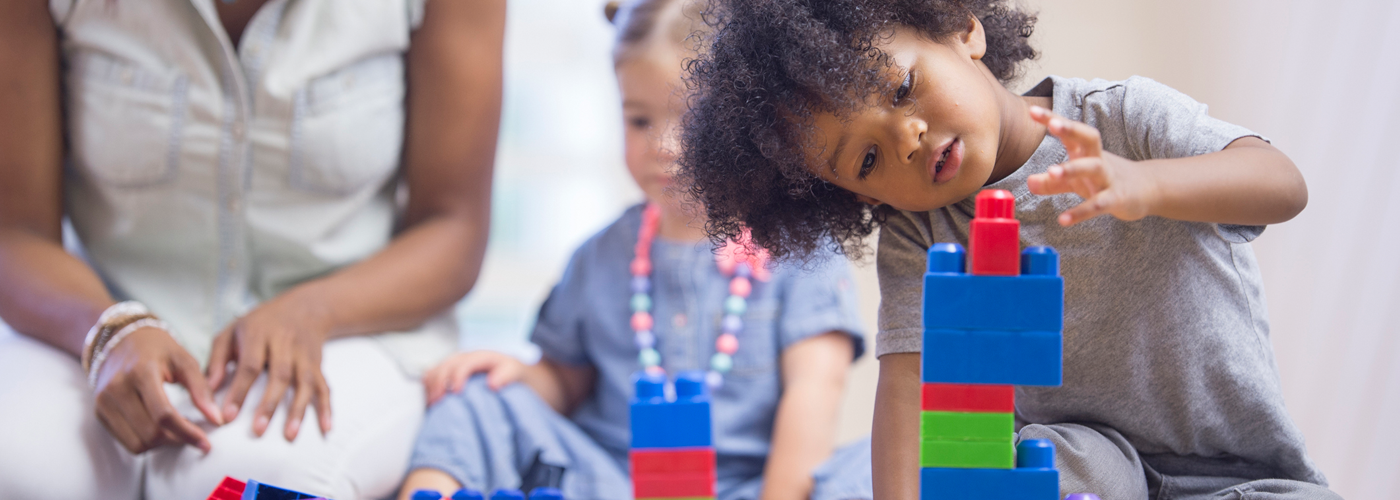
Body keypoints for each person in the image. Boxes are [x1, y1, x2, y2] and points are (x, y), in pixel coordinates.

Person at [673, 0, 1340, 499]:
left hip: (1243, 471)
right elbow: (907, 388)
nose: (907, 136)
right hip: (1083, 469)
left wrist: (1146, 182)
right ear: (856, 198)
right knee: (1027, 461)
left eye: (902, 88)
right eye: (869, 158)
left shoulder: (1120, 120)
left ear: (963, 30)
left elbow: (1282, 184)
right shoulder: (921, 234)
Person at [0, 1, 503, 498]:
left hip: (351, 328)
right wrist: (111, 329)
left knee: (251, 484)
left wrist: (314, 310)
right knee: (21, 469)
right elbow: (14, 234)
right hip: (95, 320)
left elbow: (453, 228)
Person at [396, 2, 873, 500]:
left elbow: (813, 398)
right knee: (474, 398)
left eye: (691, 121)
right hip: (608, 482)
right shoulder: (601, 255)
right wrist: (521, 378)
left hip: (746, 489)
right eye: (639, 120)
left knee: (872, 466)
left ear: (753, 124)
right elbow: (566, 379)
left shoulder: (802, 253)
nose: (663, 145)